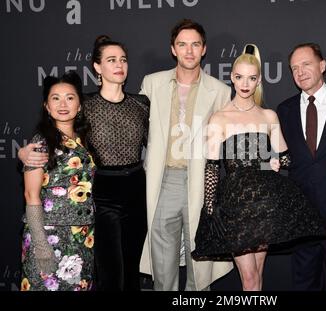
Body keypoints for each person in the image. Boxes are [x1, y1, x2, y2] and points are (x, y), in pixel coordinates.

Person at [191, 44, 326, 291]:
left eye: (252, 78)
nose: (245, 83)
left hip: (265, 205)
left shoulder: (268, 116)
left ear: (259, 81)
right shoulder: (219, 118)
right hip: (236, 207)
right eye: (240, 77)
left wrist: (273, 162)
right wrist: (210, 208)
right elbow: (211, 168)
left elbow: (286, 159)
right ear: (232, 78)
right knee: (250, 279)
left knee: (258, 278)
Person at [19, 36, 150, 291]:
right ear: (97, 67)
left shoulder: (142, 104)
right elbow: (50, 137)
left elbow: (157, 148)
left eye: (123, 59)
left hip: (136, 190)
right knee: (110, 273)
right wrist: (24, 154)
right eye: (111, 60)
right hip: (101, 194)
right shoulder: (84, 104)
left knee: (131, 270)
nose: (119, 65)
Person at [138, 19, 233, 291]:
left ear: (204, 49)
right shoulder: (152, 83)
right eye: (182, 44)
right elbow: (129, 125)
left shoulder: (221, 91)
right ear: (173, 49)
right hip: (163, 180)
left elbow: (238, 135)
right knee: (163, 265)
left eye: (195, 45)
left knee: (199, 264)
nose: (189, 51)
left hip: (202, 183)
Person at [277, 43, 326, 290]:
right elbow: (283, 158)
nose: (300, 72)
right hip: (302, 219)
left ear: (322, 65)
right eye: (294, 68)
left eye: (306, 64)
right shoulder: (284, 110)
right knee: (304, 284)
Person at [21, 71, 95, 291]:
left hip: (82, 236)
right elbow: (30, 195)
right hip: (48, 234)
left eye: (70, 98)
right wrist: (41, 245)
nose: (63, 104)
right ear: (46, 105)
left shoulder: (85, 140)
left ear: (80, 105)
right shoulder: (40, 142)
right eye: (56, 98)